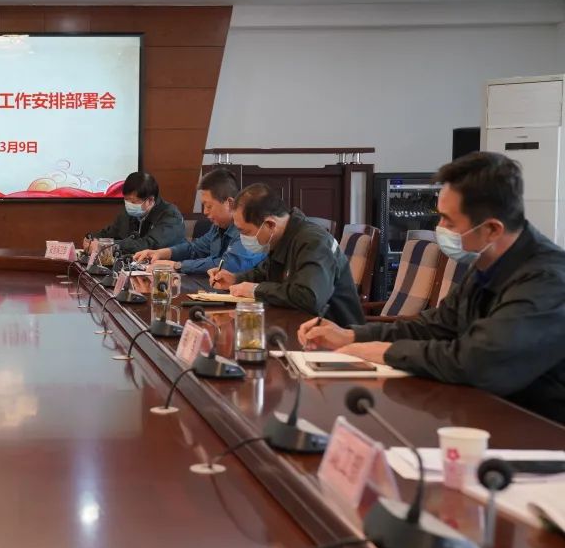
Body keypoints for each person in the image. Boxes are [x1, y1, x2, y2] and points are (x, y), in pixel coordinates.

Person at [299, 152, 565, 421]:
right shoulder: (486, 262)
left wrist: (386, 352)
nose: (440, 228)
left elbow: (480, 361)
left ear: (492, 229)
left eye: (449, 220)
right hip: (481, 411)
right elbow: (434, 326)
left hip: (538, 429)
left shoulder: (547, 280)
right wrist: (352, 336)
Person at [208, 183, 364, 327]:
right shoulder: (282, 238)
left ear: (270, 224)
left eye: (246, 232)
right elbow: (264, 273)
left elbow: (309, 297)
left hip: (336, 335)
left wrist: (255, 290)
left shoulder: (314, 242)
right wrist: (235, 279)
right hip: (297, 325)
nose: (243, 238)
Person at [132, 169, 265, 276]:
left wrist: (177, 266)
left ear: (229, 203)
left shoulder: (249, 227)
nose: (205, 212)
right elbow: (195, 249)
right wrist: (161, 253)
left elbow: (229, 265)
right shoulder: (218, 227)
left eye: (209, 206)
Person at [85, 172, 185, 255]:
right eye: (126, 200)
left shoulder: (170, 216)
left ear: (150, 200)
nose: (129, 205)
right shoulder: (128, 214)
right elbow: (111, 232)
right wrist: (91, 238)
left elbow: (149, 245)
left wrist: (108, 246)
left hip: (166, 268)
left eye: (133, 202)